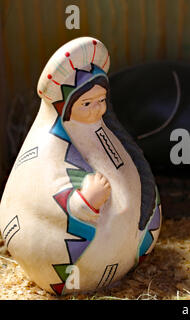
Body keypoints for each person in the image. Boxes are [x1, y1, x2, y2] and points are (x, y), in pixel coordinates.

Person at [0, 37, 161, 294]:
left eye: (101, 100)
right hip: (74, 262)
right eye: (87, 103)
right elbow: (36, 193)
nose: (97, 109)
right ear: (66, 107)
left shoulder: (99, 128)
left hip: (125, 247)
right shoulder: (48, 146)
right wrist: (83, 203)